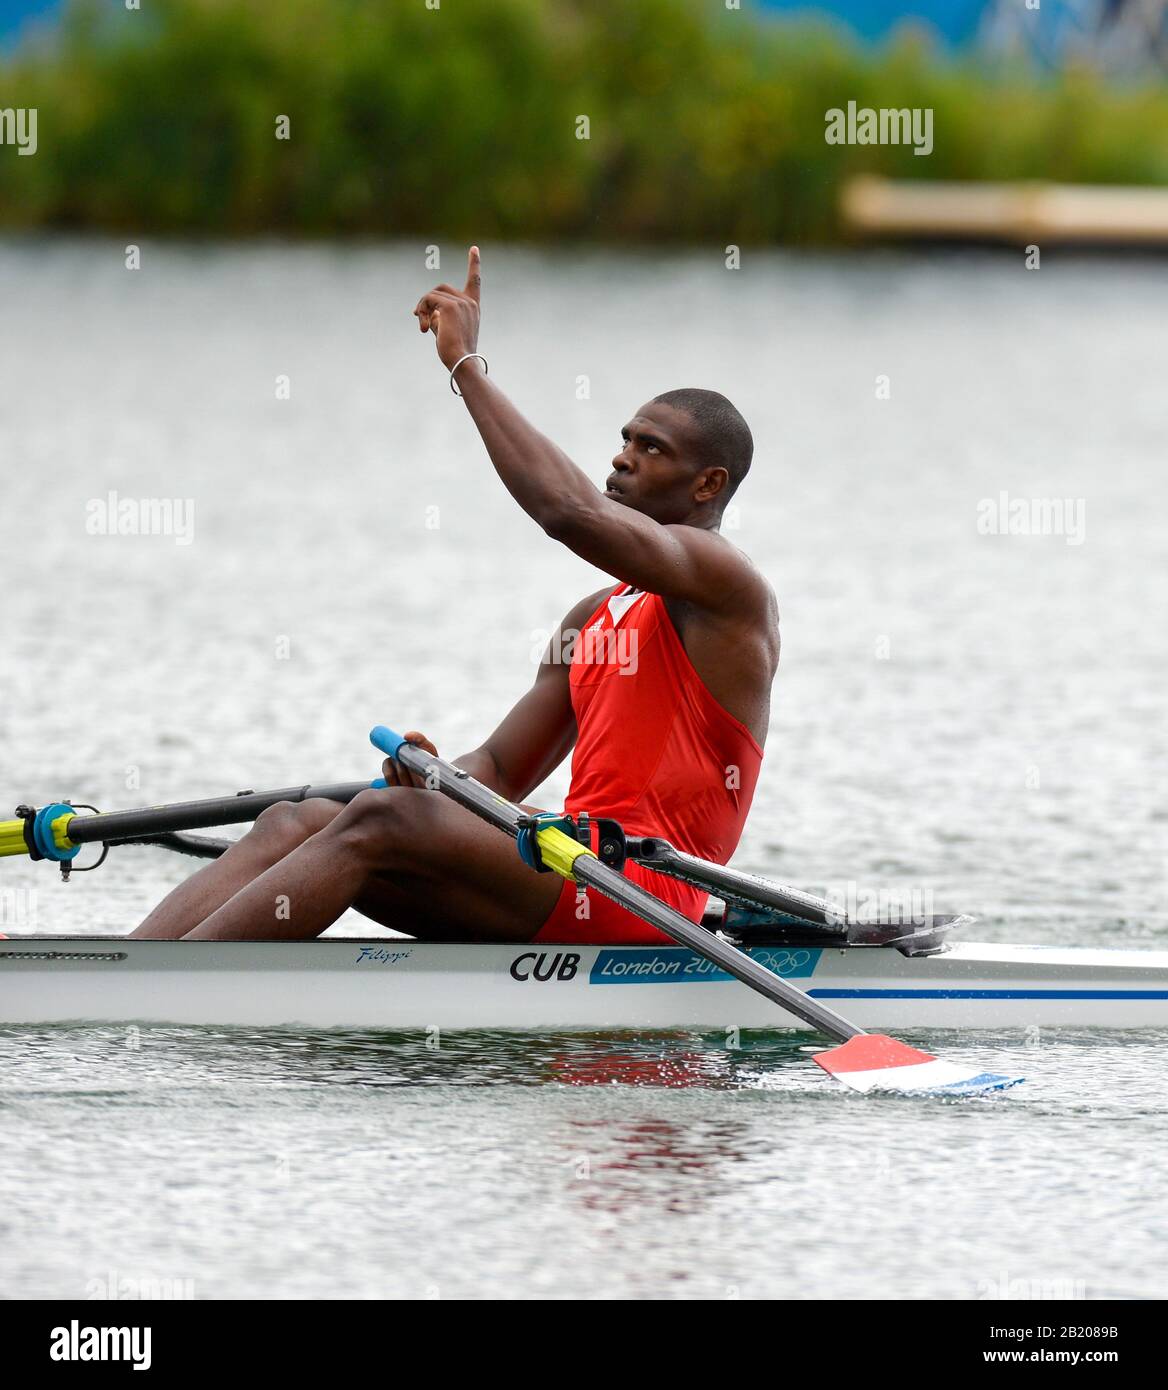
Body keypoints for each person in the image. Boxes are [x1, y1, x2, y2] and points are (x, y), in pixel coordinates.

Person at [132, 248, 779, 943]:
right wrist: (437, 778)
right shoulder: (594, 617)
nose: (622, 456)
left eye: (652, 449)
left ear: (708, 485)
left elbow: (570, 513)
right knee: (299, 819)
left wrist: (466, 366)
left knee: (378, 822)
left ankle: (168, 990)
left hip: (650, 891)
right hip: (569, 864)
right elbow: (499, 770)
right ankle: (131, 968)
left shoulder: (726, 585)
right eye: (625, 439)